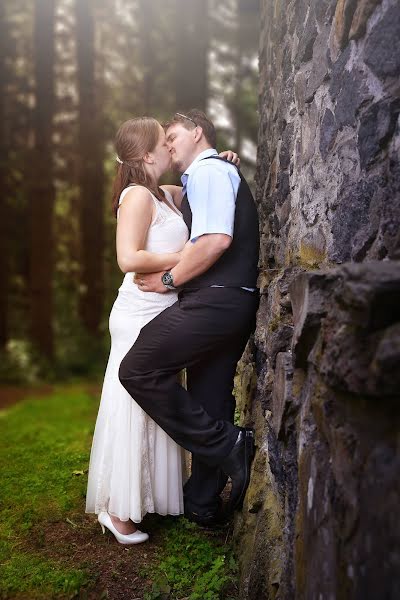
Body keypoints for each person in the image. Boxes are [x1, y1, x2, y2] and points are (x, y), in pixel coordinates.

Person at [85, 115, 240, 544]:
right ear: (148, 153)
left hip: (164, 308)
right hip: (140, 308)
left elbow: (200, 193)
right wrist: (182, 259)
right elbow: (128, 259)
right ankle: (118, 511)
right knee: (133, 403)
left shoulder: (166, 193)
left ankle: (141, 498)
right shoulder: (136, 196)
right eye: (163, 143)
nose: (171, 149)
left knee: (155, 401)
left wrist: (223, 160)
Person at [119, 109, 260, 528]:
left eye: (174, 135)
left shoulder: (208, 172)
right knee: (210, 399)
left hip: (215, 301)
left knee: (138, 368)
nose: (168, 143)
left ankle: (230, 443)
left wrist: (169, 279)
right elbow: (152, 193)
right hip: (229, 302)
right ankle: (202, 504)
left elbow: (217, 240)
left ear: (198, 133)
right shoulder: (196, 178)